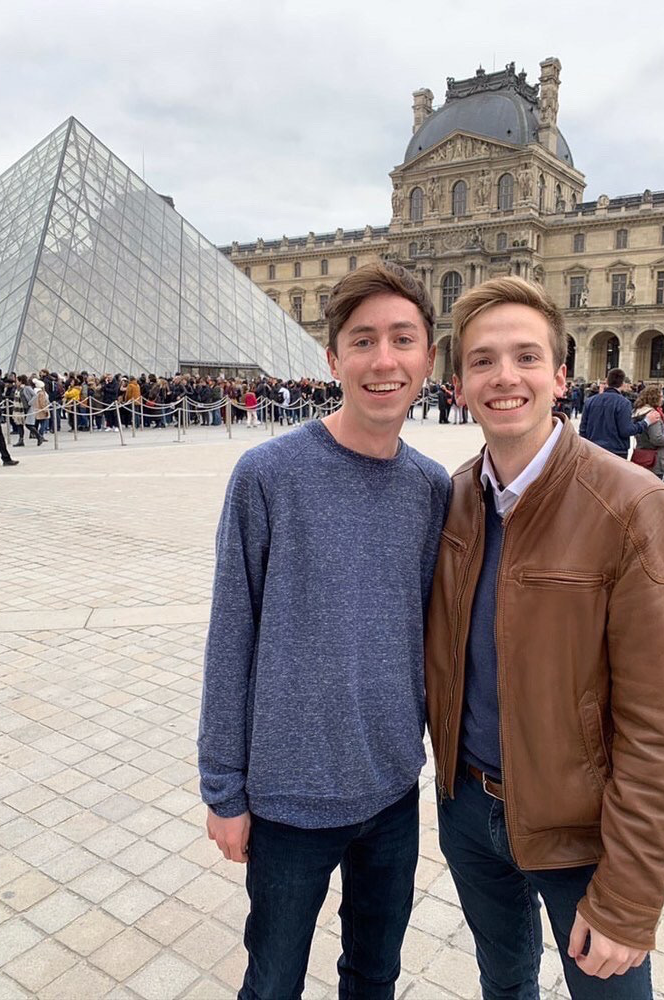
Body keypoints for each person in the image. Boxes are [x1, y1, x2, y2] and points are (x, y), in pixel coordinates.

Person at [424, 276, 664, 998]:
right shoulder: (452, 498)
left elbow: (662, 729)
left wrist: (632, 898)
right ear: (458, 384)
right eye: (482, 360)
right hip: (469, 809)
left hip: (583, 835)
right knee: (503, 985)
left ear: (561, 376)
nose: (504, 376)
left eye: (525, 356)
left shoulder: (636, 507)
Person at [199, 261, 450, 999]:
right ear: (332, 355)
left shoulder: (434, 488)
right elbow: (229, 638)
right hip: (286, 800)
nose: (384, 360)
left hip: (392, 790)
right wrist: (224, 790)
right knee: (272, 983)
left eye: (402, 339)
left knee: (374, 976)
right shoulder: (267, 474)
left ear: (428, 357)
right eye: (363, 340)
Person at [579, 367, 657, 457]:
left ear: (607, 381)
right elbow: (626, 430)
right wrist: (646, 422)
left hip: (593, 450)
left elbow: (583, 430)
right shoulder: (624, 403)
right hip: (616, 452)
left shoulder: (590, 401)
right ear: (622, 384)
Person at [630, 385, 664, 478]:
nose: (663, 399)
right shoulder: (653, 414)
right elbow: (657, 438)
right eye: (661, 396)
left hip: (641, 454)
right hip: (655, 459)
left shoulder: (638, 411)